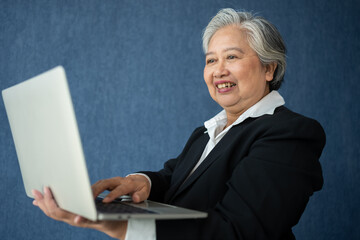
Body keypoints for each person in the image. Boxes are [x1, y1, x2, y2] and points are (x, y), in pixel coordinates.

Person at [32, 8, 326, 240]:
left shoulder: (290, 135)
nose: (218, 70)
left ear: (269, 68)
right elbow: (174, 182)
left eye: (232, 57)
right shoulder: (208, 132)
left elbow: (238, 232)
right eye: (211, 60)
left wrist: (121, 227)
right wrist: (140, 183)